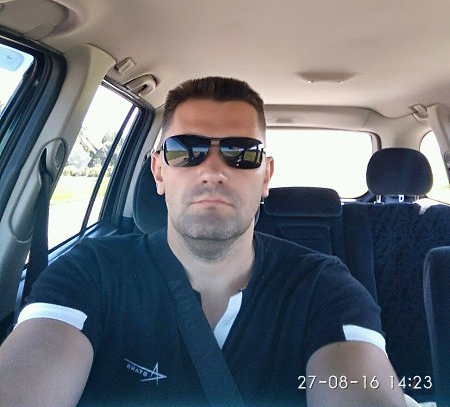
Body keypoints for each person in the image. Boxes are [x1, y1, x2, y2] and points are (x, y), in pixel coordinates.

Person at [0, 76, 408, 407]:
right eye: (185, 150)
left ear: (266, 176)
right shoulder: (91, 271)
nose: (213, 171)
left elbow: (359, 383)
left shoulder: (323, 287)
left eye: (241, 152)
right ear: (159, 172)